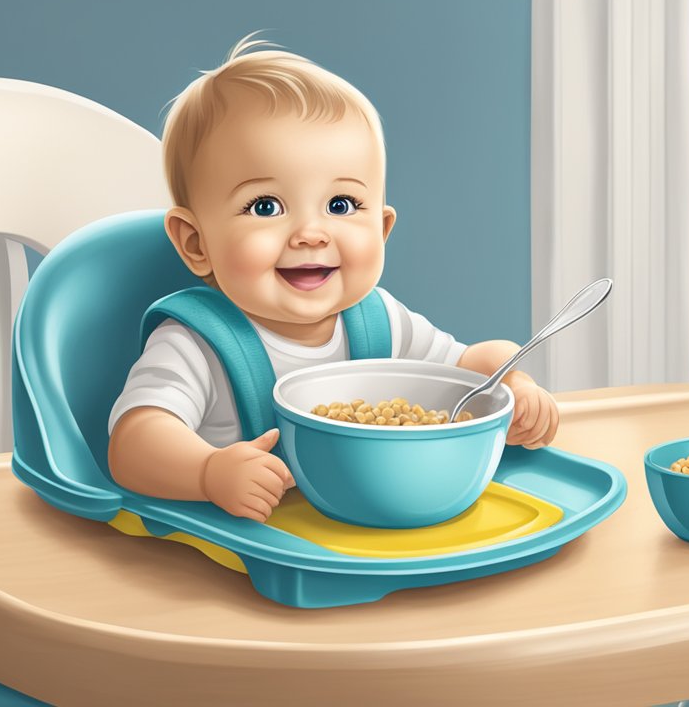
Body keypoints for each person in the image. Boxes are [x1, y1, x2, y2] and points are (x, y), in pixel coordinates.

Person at [107, 33, 559, 522]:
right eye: (266, 207)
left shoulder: (377, 320)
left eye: (341, 205)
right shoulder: (199, 343)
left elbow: (467, 366)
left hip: (363, 524)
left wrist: (513, 380)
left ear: (382, 230)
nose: (310, 233)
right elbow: (135, 441)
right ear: (196, 243)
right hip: (247, 543)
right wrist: (208, 473)